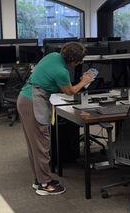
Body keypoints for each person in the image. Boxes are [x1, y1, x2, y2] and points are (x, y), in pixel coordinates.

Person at [17, 42, 95, 196]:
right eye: (79, 61)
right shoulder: (61, 72)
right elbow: (70, 92)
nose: (79, 64)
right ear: (73, 61)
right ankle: (45, 184)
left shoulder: (52, 56)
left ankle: (39, 180)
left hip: (25, 98)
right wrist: (84, 81)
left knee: (34, 144)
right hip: (33, 101)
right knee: (41, 144)